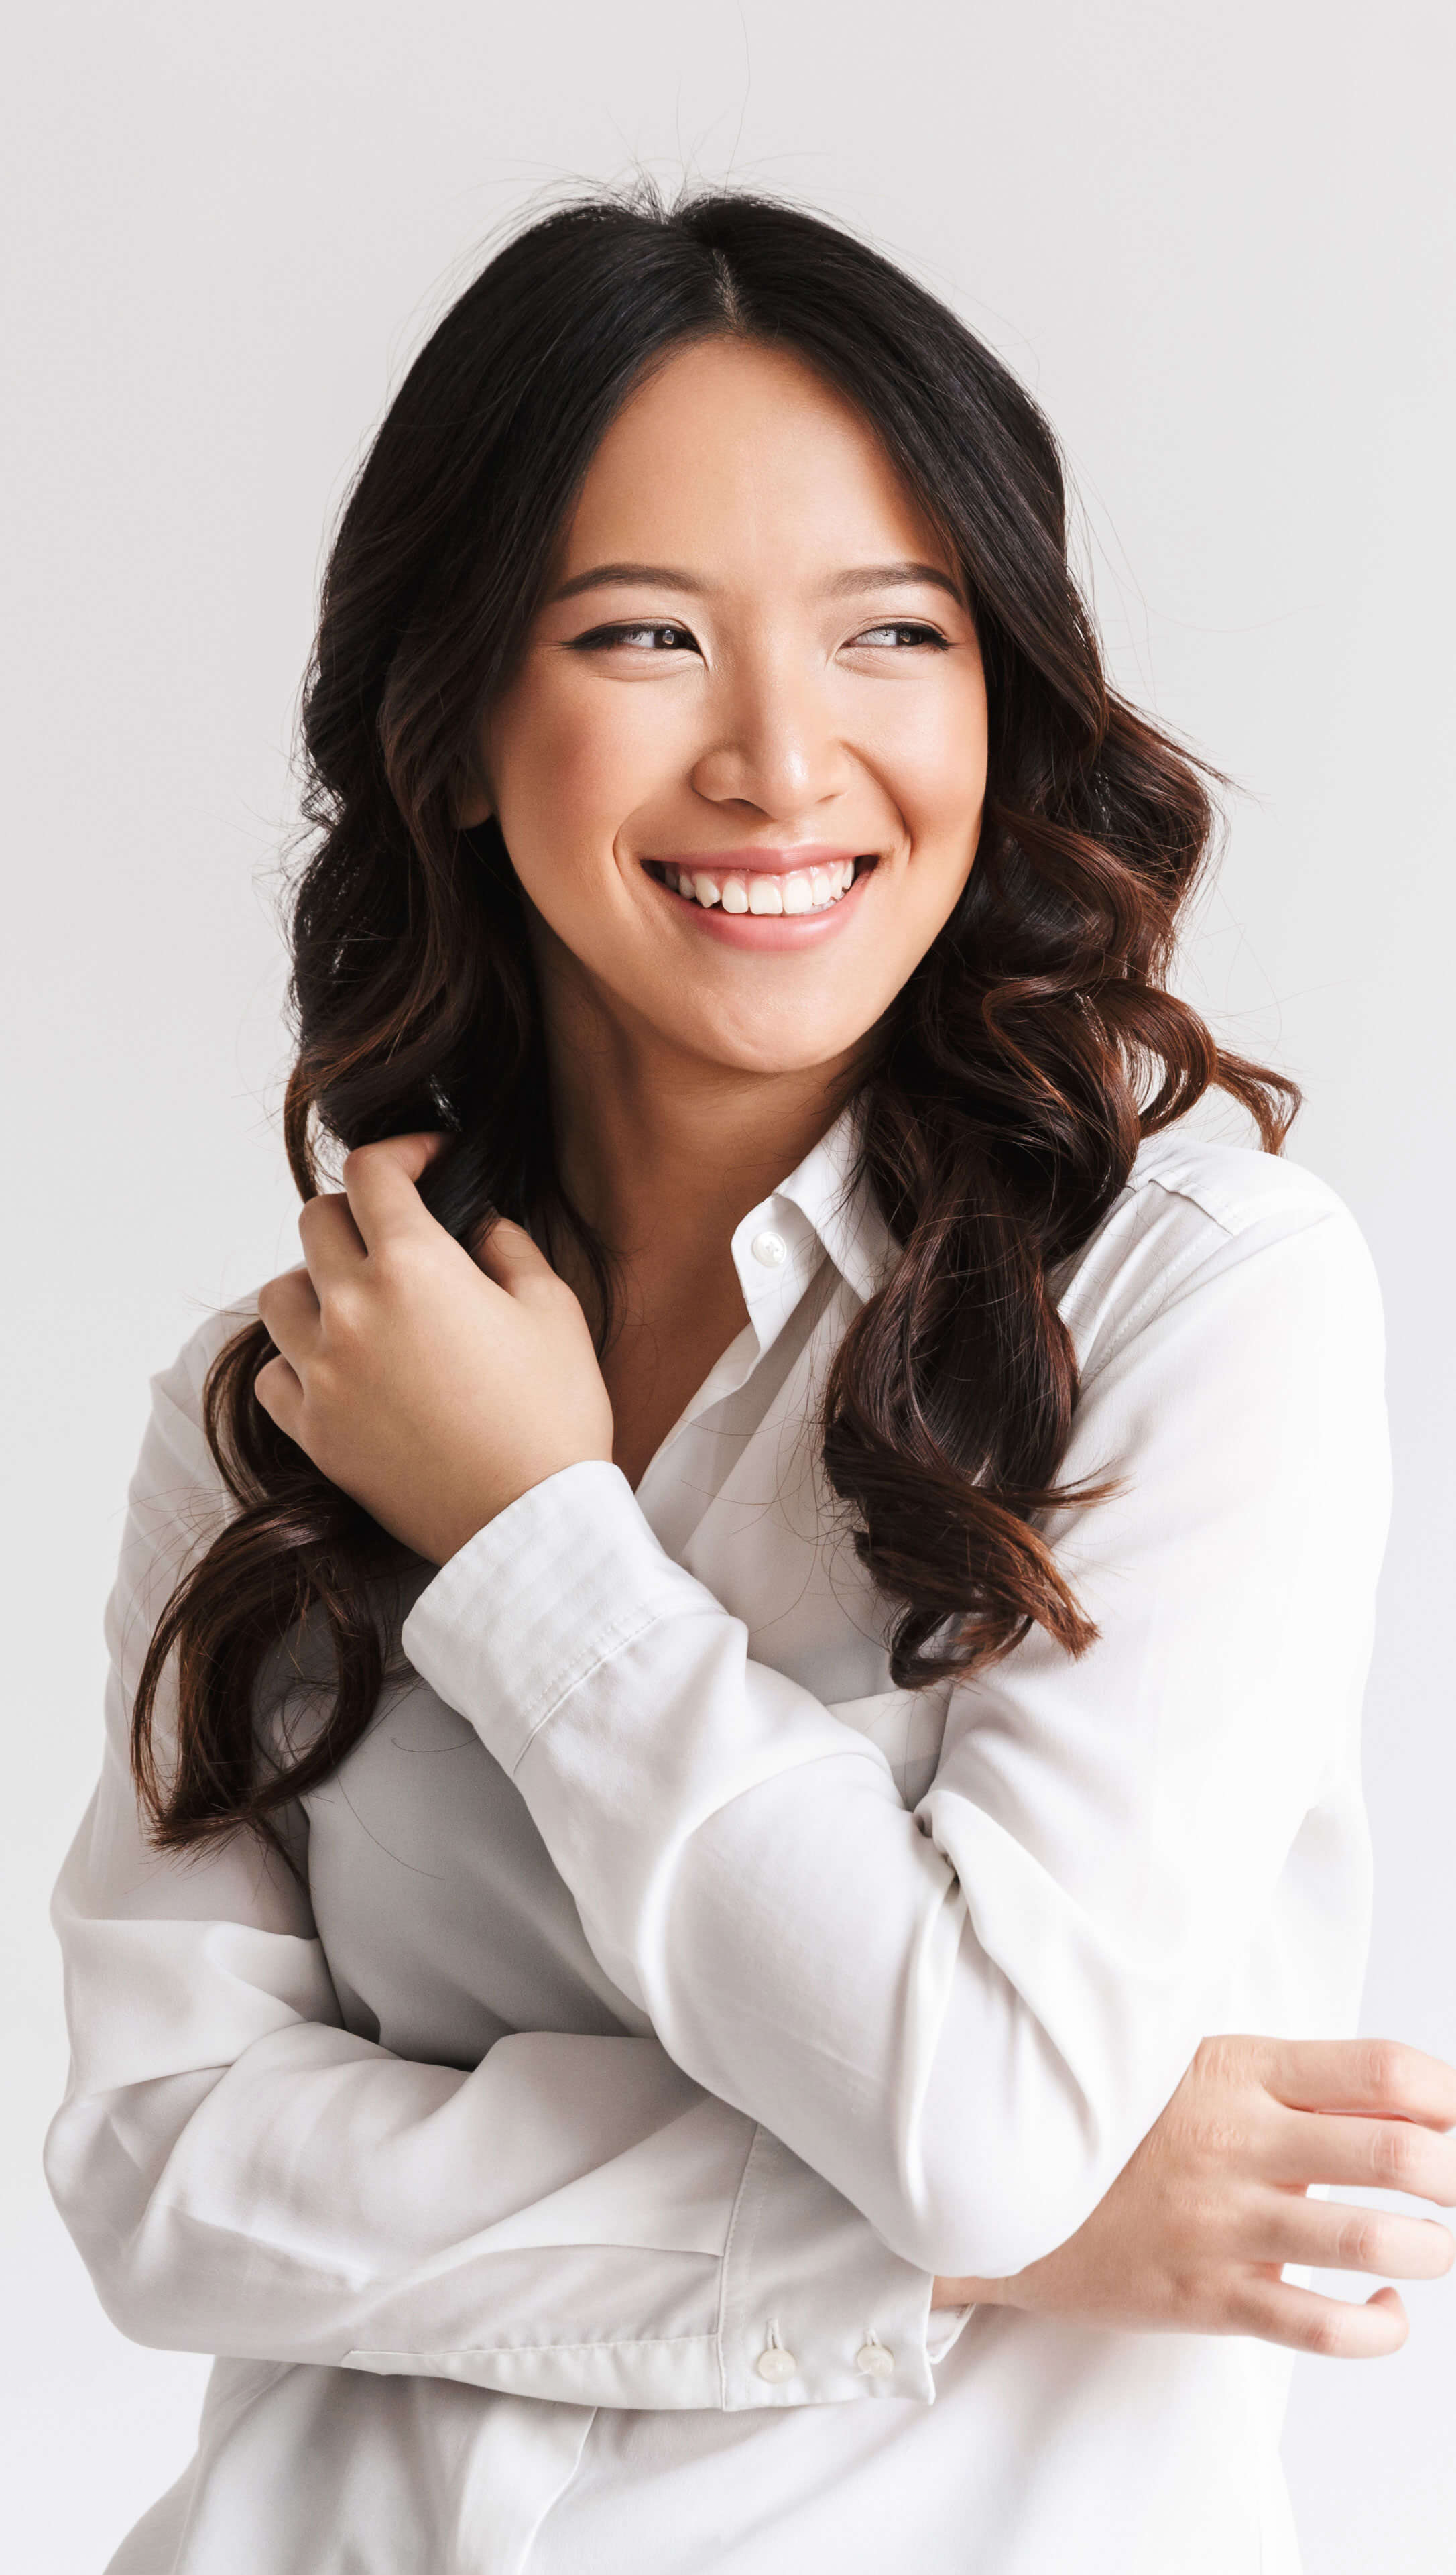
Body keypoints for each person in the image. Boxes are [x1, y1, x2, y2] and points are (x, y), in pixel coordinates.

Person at [46, 186, 1455, 2575]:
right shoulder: (280, 1394)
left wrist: (527, 1546)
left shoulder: (1194, 1302)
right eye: (644, 635)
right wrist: (930, 2242)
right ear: (462, 731)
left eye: (891, 632)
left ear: (997, 704)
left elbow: (983, 2115)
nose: (781, 757)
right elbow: (164, 2178)